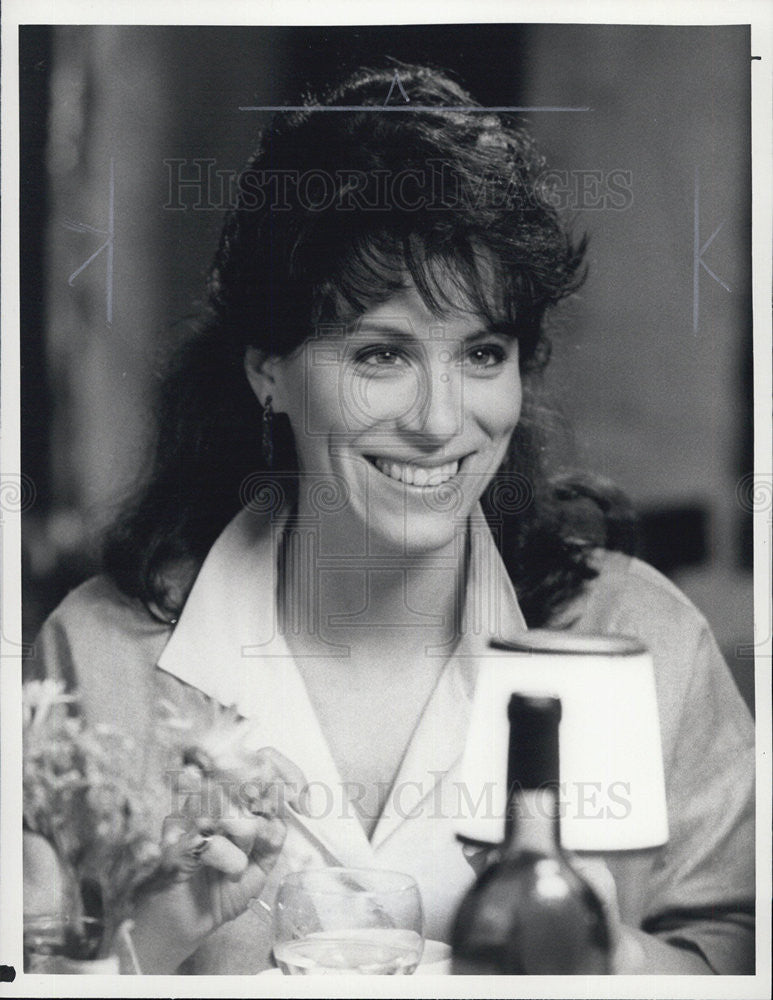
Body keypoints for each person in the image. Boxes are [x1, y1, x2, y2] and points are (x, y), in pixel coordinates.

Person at [26, 63, 754, 975]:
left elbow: (734, 955)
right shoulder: (94, 665)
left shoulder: (642, 641)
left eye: (483, 352)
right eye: (381, 355)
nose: (443, 422)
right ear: (267, 371)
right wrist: (157, 936)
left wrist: (616, 964)